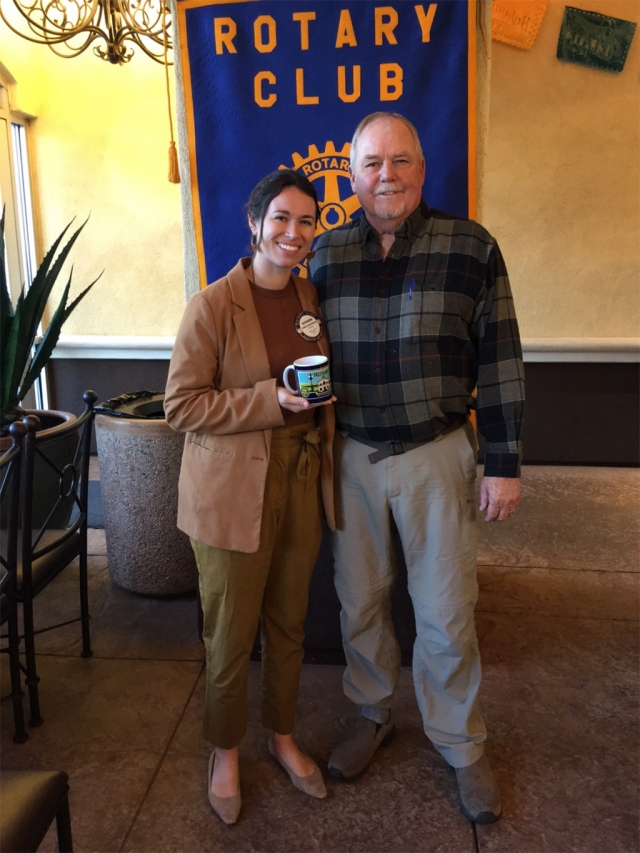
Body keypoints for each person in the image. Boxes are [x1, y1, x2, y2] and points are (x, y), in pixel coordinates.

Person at [309, 112, 525, 824]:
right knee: (359, 598)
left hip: (438, 454)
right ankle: (372, 713)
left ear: (422, 170)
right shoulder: (325, 256)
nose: (387, 176)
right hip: (353, 456)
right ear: (352, 175)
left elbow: (499, 361)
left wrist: (503, 462)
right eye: (372, 164)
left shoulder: (472, 248)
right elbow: (289, 349)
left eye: (400, 161)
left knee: (445, 611)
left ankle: (462, 743)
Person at [164, 170, 336, 825]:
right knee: (230, 632)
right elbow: (181, 406)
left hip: (297, 478)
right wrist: (272, 402)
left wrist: (315, 408)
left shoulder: (308, 295)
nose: (294, 234)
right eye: (282, 220)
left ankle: (282, 733)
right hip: (230, 491)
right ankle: (225, 750)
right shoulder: (212, 304)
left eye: (307, 221)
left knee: (289, 621)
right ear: (255, 225)